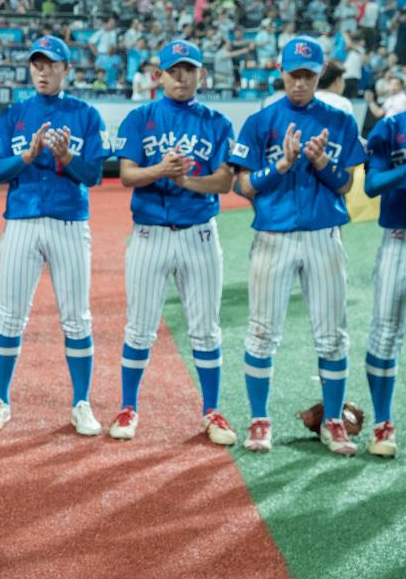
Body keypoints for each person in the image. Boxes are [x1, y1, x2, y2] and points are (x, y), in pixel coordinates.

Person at [228, 36, 369, 454]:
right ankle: (258, 420)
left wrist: (323, 163)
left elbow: (346, 184)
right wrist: (282, 165)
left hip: (324, 235)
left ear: (320, 72)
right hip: (273, 236)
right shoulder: (261, 121)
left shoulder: (340, 119)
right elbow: (243, 185)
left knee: (332, 336)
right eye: (294, 74)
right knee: (262, 332)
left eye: (308, 75)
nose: (300, 82)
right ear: (280, 71)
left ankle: (333, 422)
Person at [0, 34, 110, 436]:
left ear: (66, 70)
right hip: (20, 221)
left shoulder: (86, 114)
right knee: (11, 317)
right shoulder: (15, 113)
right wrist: (29, 156)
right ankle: (0, 399)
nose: (43, 71)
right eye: (37, 64)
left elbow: (95, 175)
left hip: (69, 221)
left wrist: (67, 157)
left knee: (76, 319)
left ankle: (81, 403)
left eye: (51, 64)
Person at [108, 40, 237, 445]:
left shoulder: (217, 122)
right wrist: (162, 169)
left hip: (199, 233)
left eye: (189, 69)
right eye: (173, 70)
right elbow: (127, 175)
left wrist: (185, 181)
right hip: (150, 234)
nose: (181, 76)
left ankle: (212, 410)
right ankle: (129, 406)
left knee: (206, 328)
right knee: (140, 327)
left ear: (201, 74)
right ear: (159, 76)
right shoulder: (140, 117)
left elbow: (225, 181)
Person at [363, 104, 406, 459]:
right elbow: (372, 185)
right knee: (384, 333)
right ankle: (382, 423)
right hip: (397, 240)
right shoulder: (391, 127)